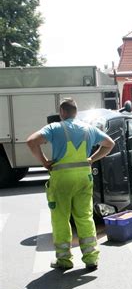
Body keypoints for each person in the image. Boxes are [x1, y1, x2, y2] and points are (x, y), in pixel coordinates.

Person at [26, 98, 115, 270]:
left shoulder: (55, 127)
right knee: (85, 217)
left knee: (61, 219)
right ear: (75, 111)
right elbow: (109, 144)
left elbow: (31, 141)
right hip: (84, 178)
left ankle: (64, 260)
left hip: (61, 180)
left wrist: (44, 162)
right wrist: (91, 159)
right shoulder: (88, 129)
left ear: (62, 112)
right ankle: (91, 258)